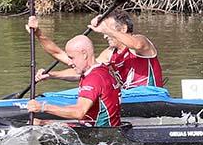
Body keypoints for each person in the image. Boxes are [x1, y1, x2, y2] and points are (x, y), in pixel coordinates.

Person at [27, 11, 163, 88]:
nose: (104, 35)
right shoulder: (109, 54)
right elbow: (80, 68)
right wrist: (52, 75)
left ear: (123, 29)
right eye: (105, 31)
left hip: (152, 97)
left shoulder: (142, 43)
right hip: (129, 99)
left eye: (108, 30)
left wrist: (106, 28)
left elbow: (136, 45)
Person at [25, 34, 121, 127]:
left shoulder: (93, 79)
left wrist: (43, 107)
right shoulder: (103, 70)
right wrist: (50, 75)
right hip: (105, 128)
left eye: (72, 58)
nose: (70, 62)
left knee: (42, 126)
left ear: (84, 54)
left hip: (99, 135)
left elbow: (79, 112)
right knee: (42, 123)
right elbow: (74, 74)